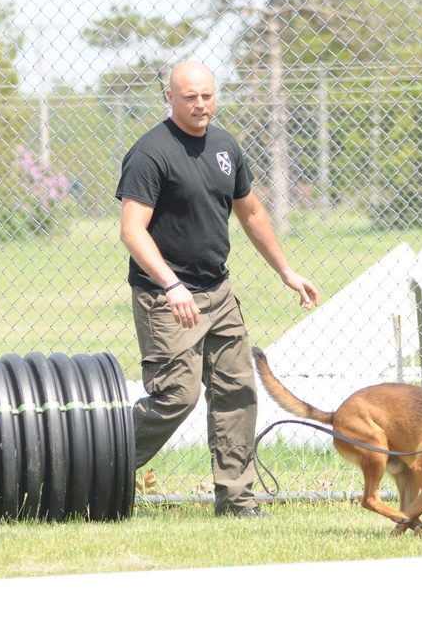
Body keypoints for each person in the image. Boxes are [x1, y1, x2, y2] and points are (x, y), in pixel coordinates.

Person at [116, 61, 320, 518]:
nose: (200, 104)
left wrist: (286, 271)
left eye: (207, 95)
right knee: (177, 394)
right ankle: (98, 464)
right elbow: (133, 230)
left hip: (218, 291)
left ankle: (237, 500)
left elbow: (250, 214)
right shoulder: (151, 153)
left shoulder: (225, 145)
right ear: (169, 97)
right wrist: (171, 284)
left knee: (237, 391)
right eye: (189, 96)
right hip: (166, 296)